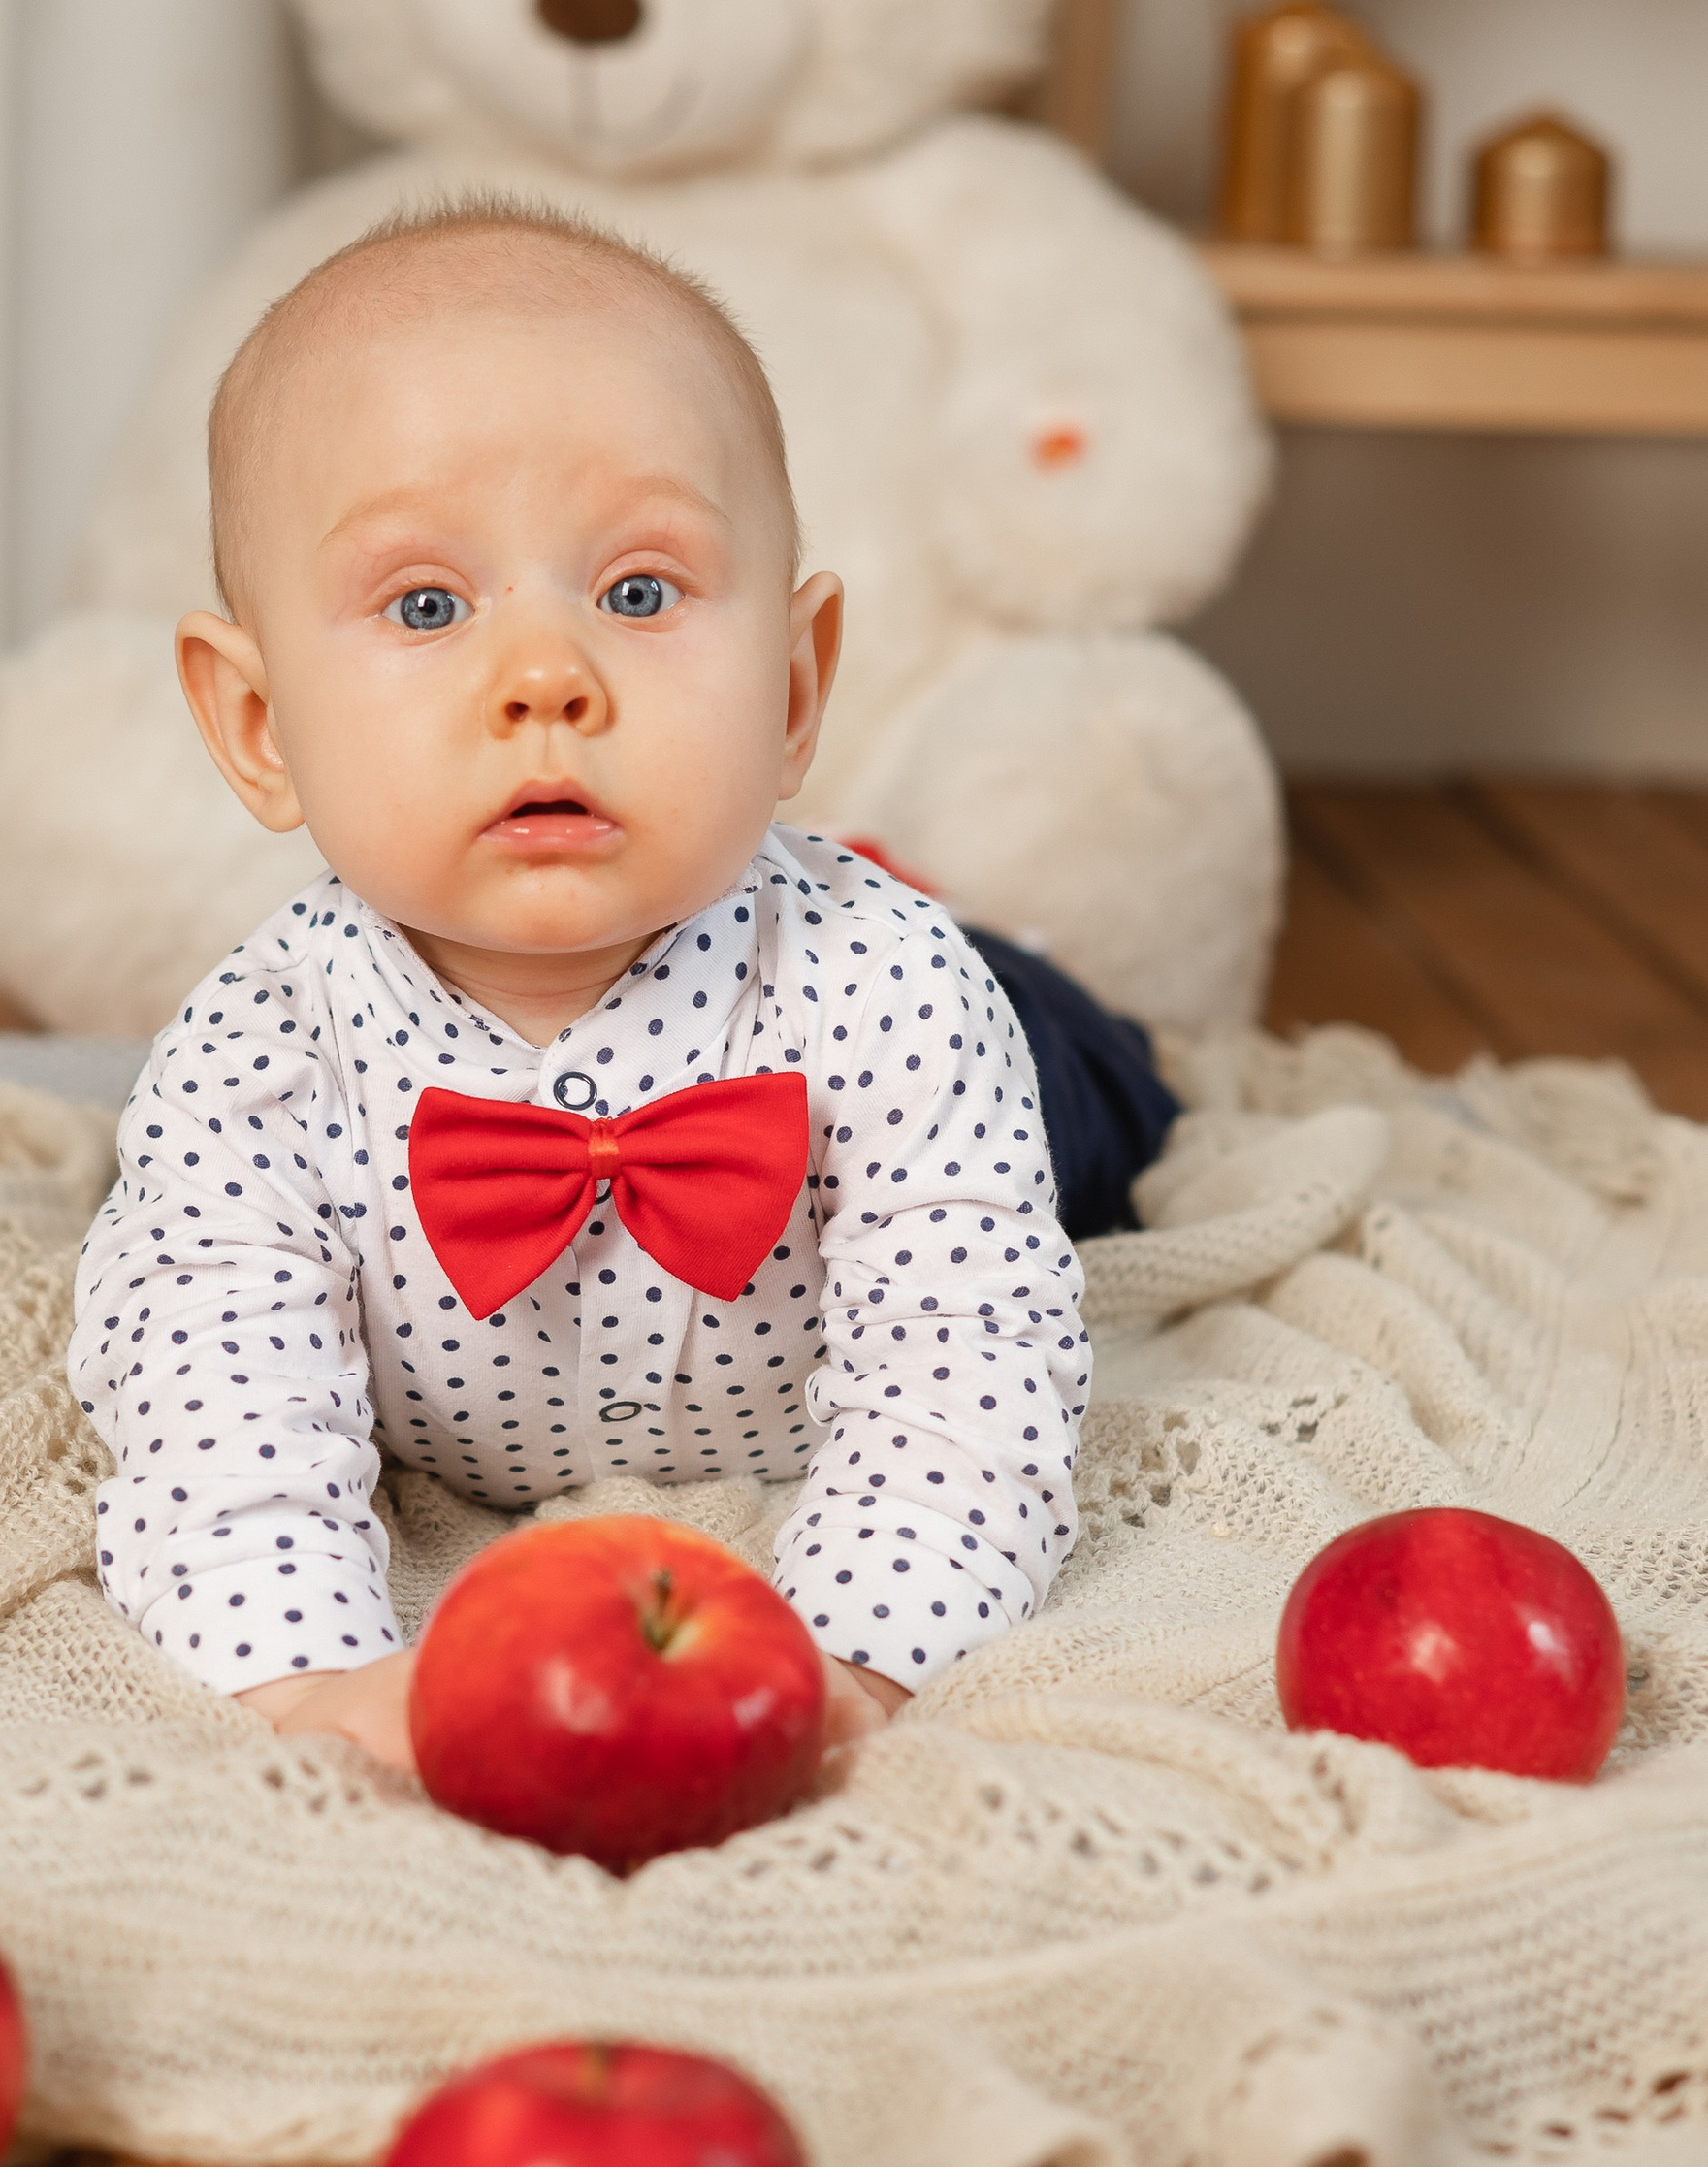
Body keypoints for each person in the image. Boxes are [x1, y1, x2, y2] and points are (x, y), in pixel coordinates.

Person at [70, 202, 1168, 1775]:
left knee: (1096, 1104)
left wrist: (859, 1652)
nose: (547, 680)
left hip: (900, 1002)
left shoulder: (900, 999)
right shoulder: (256, 1056)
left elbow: (966, 1367)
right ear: (256, 725)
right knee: (164, 1261)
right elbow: (209, 1403)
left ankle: (1043, 986)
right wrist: (310, 1679)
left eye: (640, 593)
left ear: (791, 688)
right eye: (428, 605)